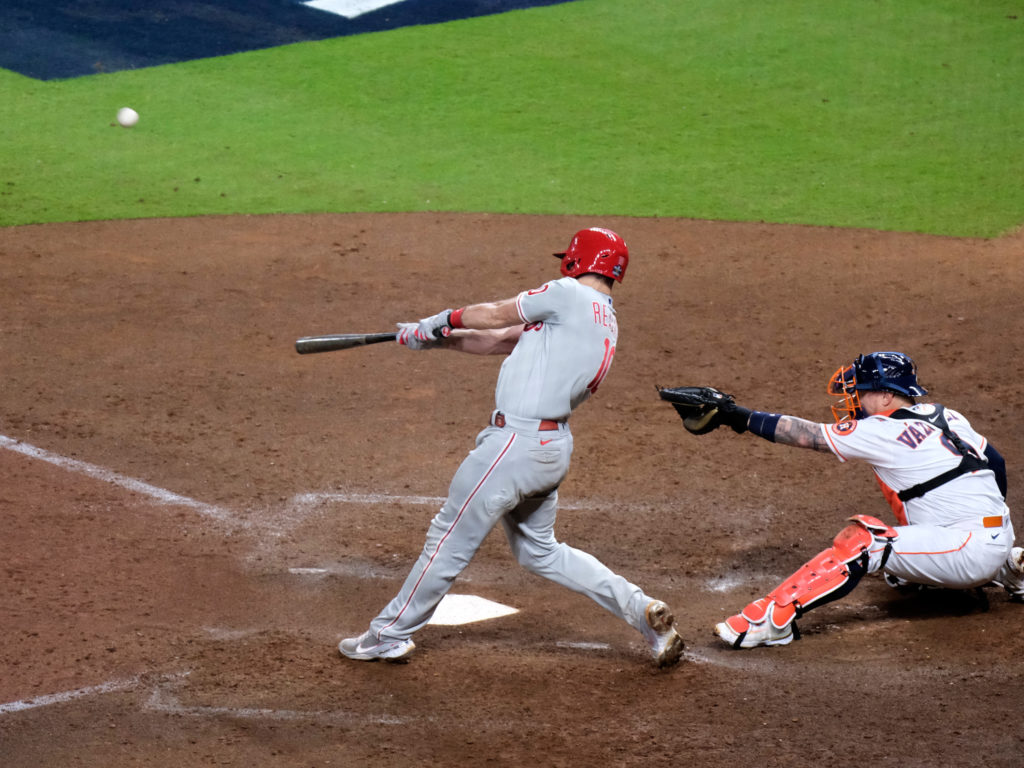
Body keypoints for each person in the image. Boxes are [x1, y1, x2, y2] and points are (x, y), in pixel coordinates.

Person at [338, 227, 685, 667]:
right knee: (541, 551)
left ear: (577, 260)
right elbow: (501, 340)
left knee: (447, 541)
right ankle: (642, 610)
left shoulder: (566, 295)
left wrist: (442, 318)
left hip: (514, 447)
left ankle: (388, 635)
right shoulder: (601, 318)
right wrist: (432, 340)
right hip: (550, 449)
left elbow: (498, 314)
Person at [674, 351, 1023, 649]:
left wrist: (736, 416)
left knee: (866, 542)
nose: (854, 398)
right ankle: (1008, 566)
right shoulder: (948, 416)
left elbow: (805, 434)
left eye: (863, 391)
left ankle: (771, 621)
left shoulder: (882, 430)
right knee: (902, 564)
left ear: (887, 397)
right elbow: (996, 463)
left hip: (969, 552)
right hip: (994, 536)